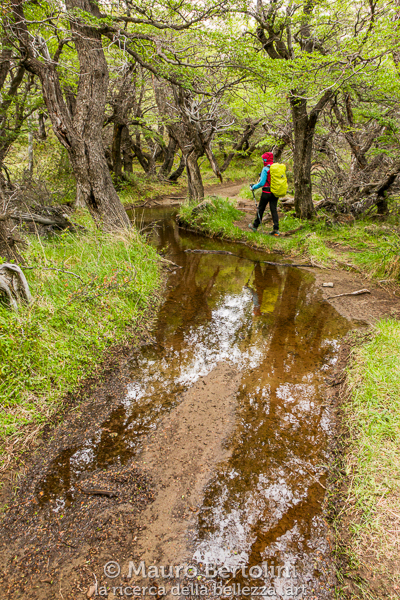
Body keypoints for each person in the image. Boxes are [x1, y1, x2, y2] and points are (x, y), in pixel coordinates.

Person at [248, 152, 280, 236]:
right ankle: (276, 230)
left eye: (263, 159)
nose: (262, 160)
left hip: (266, 192)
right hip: (275, 192)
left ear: (265, 160)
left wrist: (253, 187)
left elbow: (262, 183)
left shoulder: (265, 169)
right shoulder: (276, 168)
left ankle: (255, 226)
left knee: (261, 209)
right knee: (274, 210)